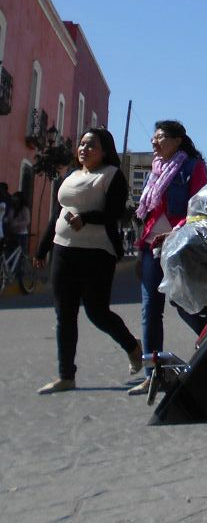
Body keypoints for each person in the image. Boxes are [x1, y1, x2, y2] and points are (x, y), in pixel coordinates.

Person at [34, 128, 141, 394]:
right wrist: (42, 249)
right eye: (81, 144)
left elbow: (115, 212)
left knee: (97, 312)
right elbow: (58, 213)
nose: (83, 149)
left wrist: (86, 219)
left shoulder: (111, 175)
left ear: (104, 150)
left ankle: (132, 347)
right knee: (64, 314)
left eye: (91, 145)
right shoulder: (70, 177)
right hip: (63, 250)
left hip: (96, 253)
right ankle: (66, 376)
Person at [130, 120, 207, 396]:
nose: (154, 142)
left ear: (177, 140)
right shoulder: (156, 171)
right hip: (152, 246)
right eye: (153, 137)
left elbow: (200, 209)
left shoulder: (192, 167)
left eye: (160, 137)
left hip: (178, 247)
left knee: (183, 302)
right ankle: (154, 375)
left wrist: (174, 234)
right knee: (150, 308)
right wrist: (143, 246)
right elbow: (150, 214)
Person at [6, 191, 31, 258]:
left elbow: (27, 221)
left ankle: (19, 267)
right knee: (10, 251)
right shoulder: (12, 208)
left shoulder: (24, 209)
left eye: (16, 199)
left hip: (21, 234)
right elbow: (9, 218)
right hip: (12, 233)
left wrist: (16, 224)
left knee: (20, 254)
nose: (15, 201)